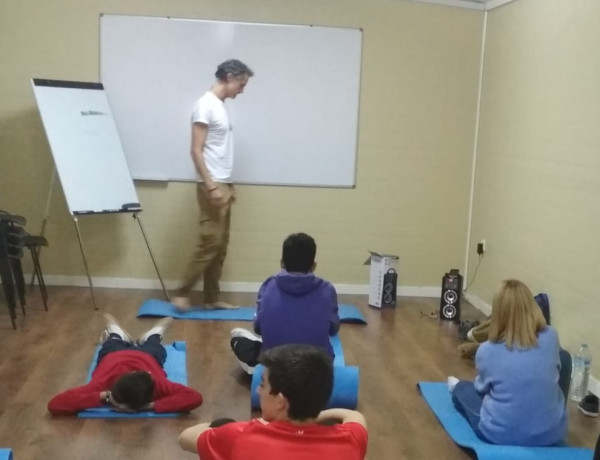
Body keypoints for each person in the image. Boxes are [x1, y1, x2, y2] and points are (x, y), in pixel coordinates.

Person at [178, 344, 368, 460]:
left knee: (221, 426)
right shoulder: (351, 440)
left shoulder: (240, 436)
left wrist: (223, 427)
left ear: (280, 401)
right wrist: (312, 415)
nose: (259, 391)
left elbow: (186, 437)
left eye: (263, 385)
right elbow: (353, 415)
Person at [172, 59, 254, 311]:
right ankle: (181, 292)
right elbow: (196, 150)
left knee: (221, 244)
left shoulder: (220, 106)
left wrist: (228, 186)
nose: (242, 90)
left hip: (224, 182)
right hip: (213, 184)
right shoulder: (204, 106)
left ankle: (211, 298)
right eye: (241, 84)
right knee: (210, 241)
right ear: (229, 77)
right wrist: (211, 186)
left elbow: (217, 150)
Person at [448, 279, 568, 446]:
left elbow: (481, 388)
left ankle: (456, 387)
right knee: (565, 358)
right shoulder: (552, 336)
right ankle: (548, 411)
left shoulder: (487, 350)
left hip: (500, 435)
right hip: (552, 434)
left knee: (463, 390)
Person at [229, 232, 340, 374]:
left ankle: (257, 368)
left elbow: (258, 328)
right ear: (313, 265)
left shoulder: (268, 286)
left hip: (275, 366)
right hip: (316, 369)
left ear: (282, 263)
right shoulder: (327, 290)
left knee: (239, 340)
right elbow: (333, 329)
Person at [47, 314, 203, 415]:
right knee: (154, 345)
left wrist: (105, 397)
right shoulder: (159, 384)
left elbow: (55, 404)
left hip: (113, 354)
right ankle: (151, 334)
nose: (149, 373)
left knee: (113, 341)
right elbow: (194, 397)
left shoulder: (100, 385)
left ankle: (119, 333)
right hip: (146, 356)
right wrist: (151, 406)